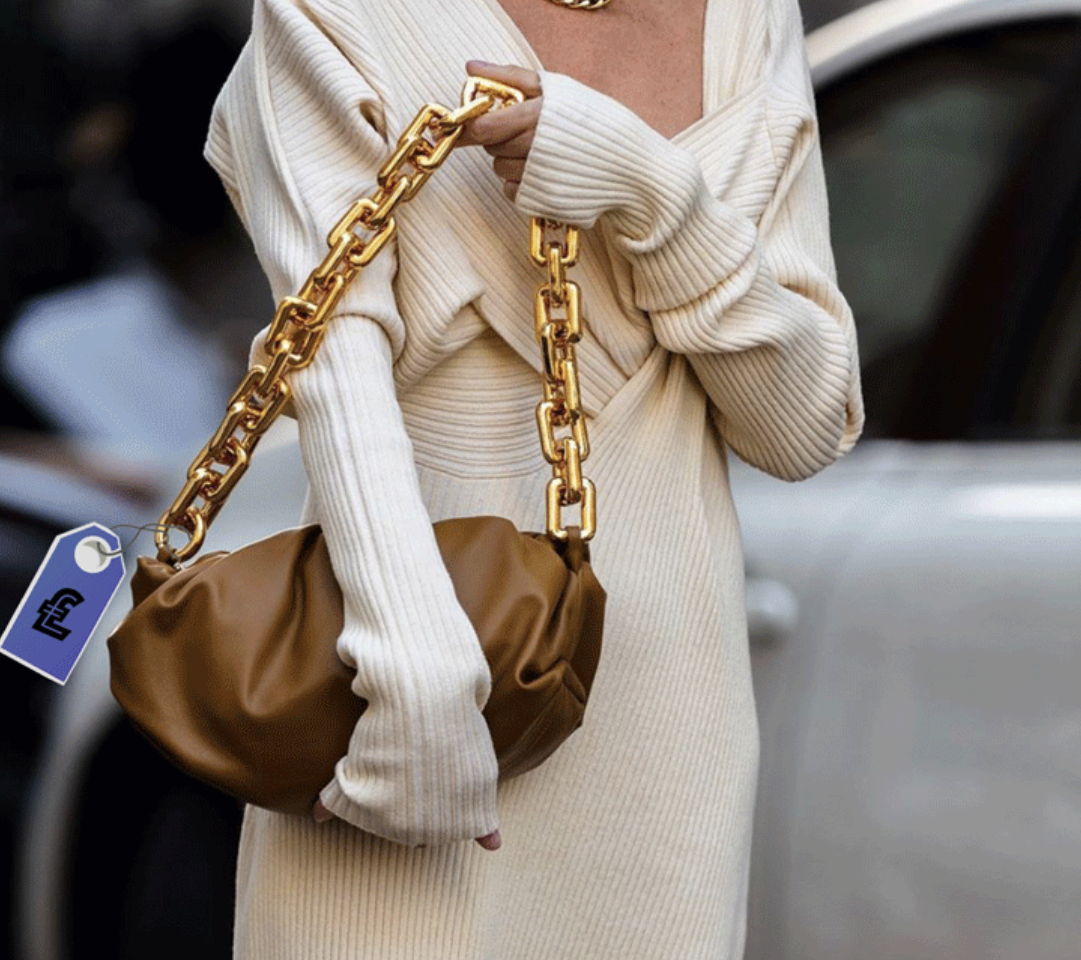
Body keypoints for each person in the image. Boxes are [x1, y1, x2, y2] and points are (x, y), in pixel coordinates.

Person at [203, 0, 864, 956]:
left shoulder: (749, 15)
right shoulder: (335, 12)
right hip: (395, 704)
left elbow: (802, 427)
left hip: (666, 729)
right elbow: (335, 361)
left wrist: (648, 189)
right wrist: (416, 684)